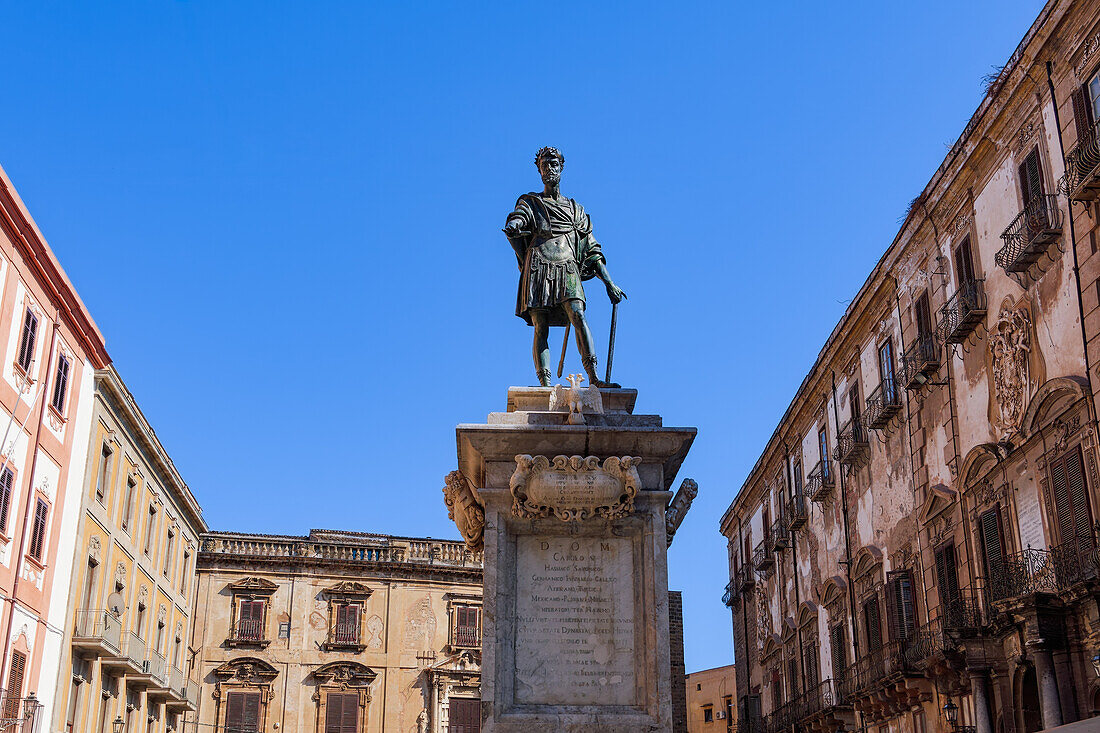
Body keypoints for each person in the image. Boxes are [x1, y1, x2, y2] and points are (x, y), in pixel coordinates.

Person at [503, 147, 626, 387]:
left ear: (561, 167)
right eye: (544, 166)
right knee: (540, 326)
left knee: (578, 314)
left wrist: (609, 283)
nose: (549, 169)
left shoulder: (576, 210)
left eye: (553, 164)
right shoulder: (531, 202)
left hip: (567, 265)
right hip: (539, 265)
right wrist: (515, 225)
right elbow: (519, 216)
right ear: (539, 171)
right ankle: (545, 384)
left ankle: (594, 378)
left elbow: (592, 248)